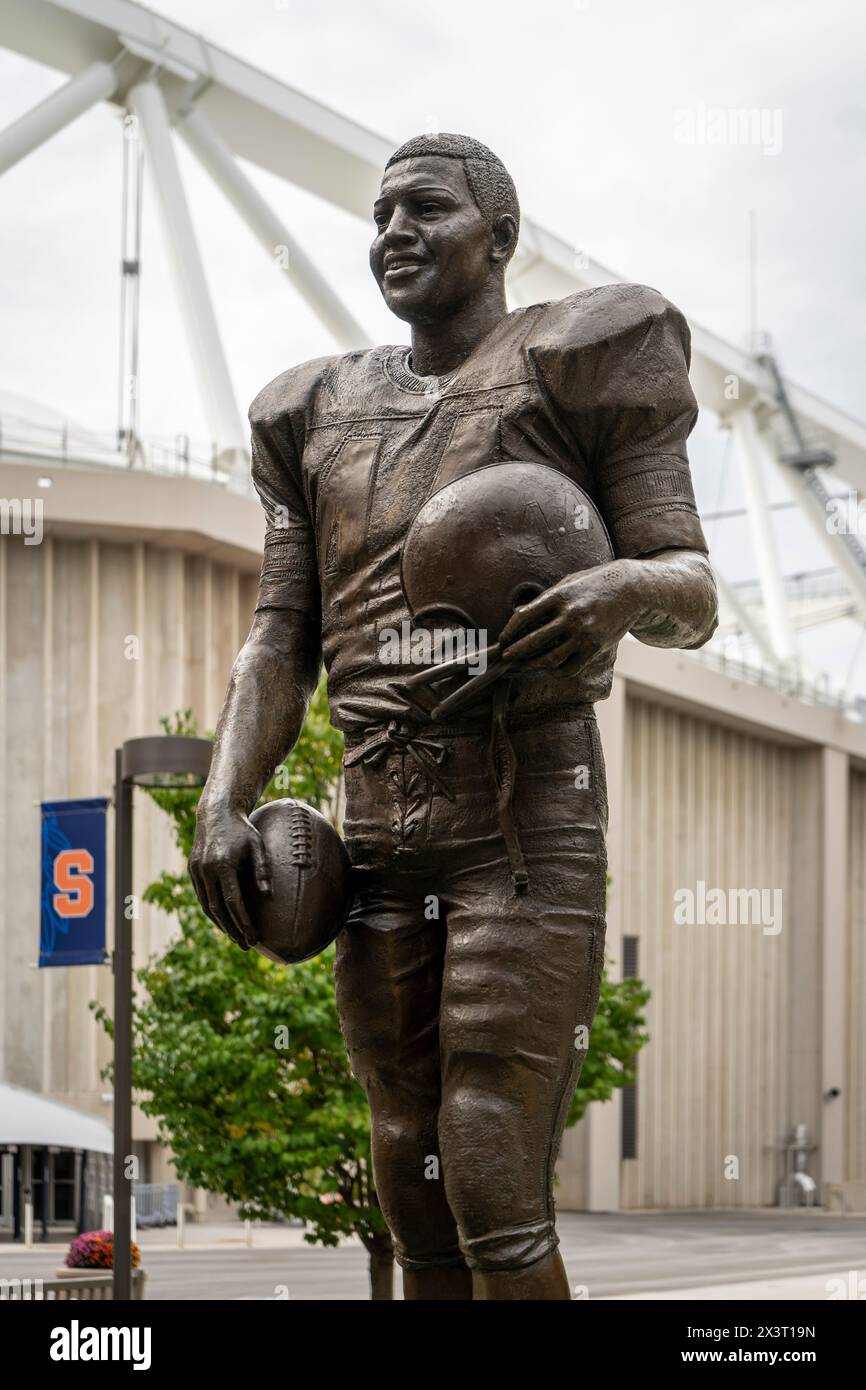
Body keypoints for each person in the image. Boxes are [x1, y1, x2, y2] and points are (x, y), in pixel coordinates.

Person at [189, 132, 718, 1300]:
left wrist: (618, 587)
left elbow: (690, 586)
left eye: (424, 208)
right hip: (374, 825)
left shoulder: (581, 356)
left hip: (520, 814)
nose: (392, 232)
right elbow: (280, 637)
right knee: (403, 1166)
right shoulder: (313, 414)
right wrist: (224, 793)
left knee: (484, 1159)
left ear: (499, 237)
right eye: (378, 214)